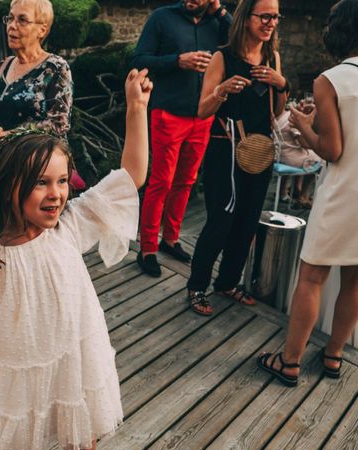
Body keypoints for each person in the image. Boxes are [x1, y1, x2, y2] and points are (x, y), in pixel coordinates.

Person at [0, 69, 152, 450]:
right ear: (7, 186)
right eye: (40, 183)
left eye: (62, 181)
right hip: (19, 368)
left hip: (74, 360)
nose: (56, 193)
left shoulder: (70, 224)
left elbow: (131, 177)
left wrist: (137, 109)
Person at [257, 0, 358, 387]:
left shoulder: (330, 80)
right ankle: (333, 357)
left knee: (312, 275)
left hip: (341, 194)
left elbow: (331, 150)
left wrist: (302, 124)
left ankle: (290, 361)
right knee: (354, 280)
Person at [186, 0, 288, 315]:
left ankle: (228, 282)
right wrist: (223, 90)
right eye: (266, 15)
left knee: (247, 221)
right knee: (222, 219)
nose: (271, 22)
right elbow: (202, 109)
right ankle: (197, 286)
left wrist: (280, 84)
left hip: (260, 149)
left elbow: (277, 112)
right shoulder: (223, 57)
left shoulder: (272, 58)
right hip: (226, 149)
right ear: (247, 18)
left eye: (276, 16)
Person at [132, 0, 232, 277]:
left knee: (187, 181)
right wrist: (178, 60)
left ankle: (171, 239)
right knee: (161, 182)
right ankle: (148, 247)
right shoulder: (161, 17)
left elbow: (244, 37)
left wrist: (222, 12)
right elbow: (139, 59)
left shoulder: (218, 24)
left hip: (203, 116)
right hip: (168, 113)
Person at [0, 0, 73, 239]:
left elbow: (58, 123)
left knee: (34, 239)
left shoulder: (56, 68)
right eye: (10, 18)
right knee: (1, 235)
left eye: (22, 20)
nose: (11, 26)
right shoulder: (0, 68)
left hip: (36, 173)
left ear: (42, 30)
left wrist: (8, 135)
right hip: (1, 169)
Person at [275, 103, 321, 208]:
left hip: (279, 156)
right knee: (319, 159)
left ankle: (290, 190)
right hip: (290, 159)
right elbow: (305, 144)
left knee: (303, 153)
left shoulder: (277, 117)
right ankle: (303, 195)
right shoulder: (292, 119)